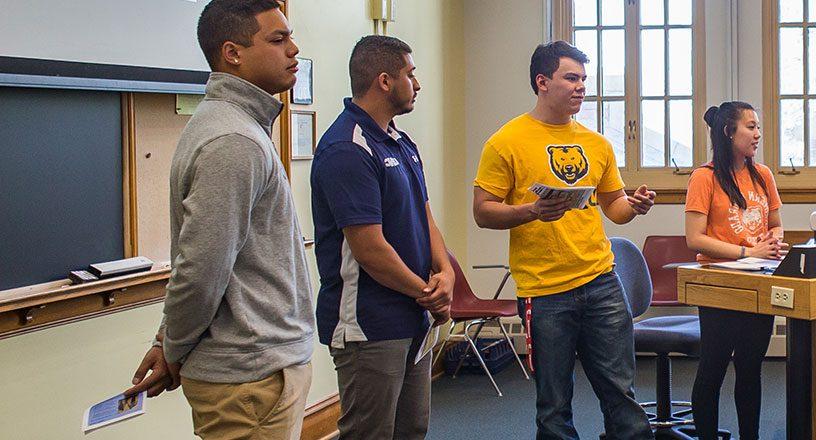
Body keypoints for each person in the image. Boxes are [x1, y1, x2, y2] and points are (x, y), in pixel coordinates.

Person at [122, 1, 316, 438]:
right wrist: (170, 347)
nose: (294, 50)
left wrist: (167, 341)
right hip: (249, 379)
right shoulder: (233, 140)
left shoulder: (236, 127)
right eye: (278, 39)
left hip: (254, 370)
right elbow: (202, 270)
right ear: (232, 53)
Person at [472, 40, 656, 440]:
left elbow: (615, 209)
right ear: (542, 82)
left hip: (601, 281)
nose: (581, 87)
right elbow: (482, 211)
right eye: (571, 78)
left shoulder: (597, 143)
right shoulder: (506, 141)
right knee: (554, 408)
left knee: (621, 395)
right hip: (544, 291)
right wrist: (529, 212)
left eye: (584, 79)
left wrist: (635, 206)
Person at [310, 35, 451, 439]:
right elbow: (369, 249)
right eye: (411, 74)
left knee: (412, 429)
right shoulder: (346, 148)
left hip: (413, 315)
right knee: (370, 434)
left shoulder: (401, 142)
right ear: (385, 81)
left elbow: (426, 220)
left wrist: (446, 275)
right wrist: (427, 291)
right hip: (369, 323)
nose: (418, 84)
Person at [684, 101, 783, 440]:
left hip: (759, 282)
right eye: (751, 127)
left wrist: (772, 241)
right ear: (729, 132)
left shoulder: (763, 174)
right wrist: (747, 251)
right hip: (719, 284)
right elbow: (695, 239)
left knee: (751, 369)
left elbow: (777, 224)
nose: (758, 134)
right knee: (712, 370)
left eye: (758, 127)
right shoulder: (704, 177)